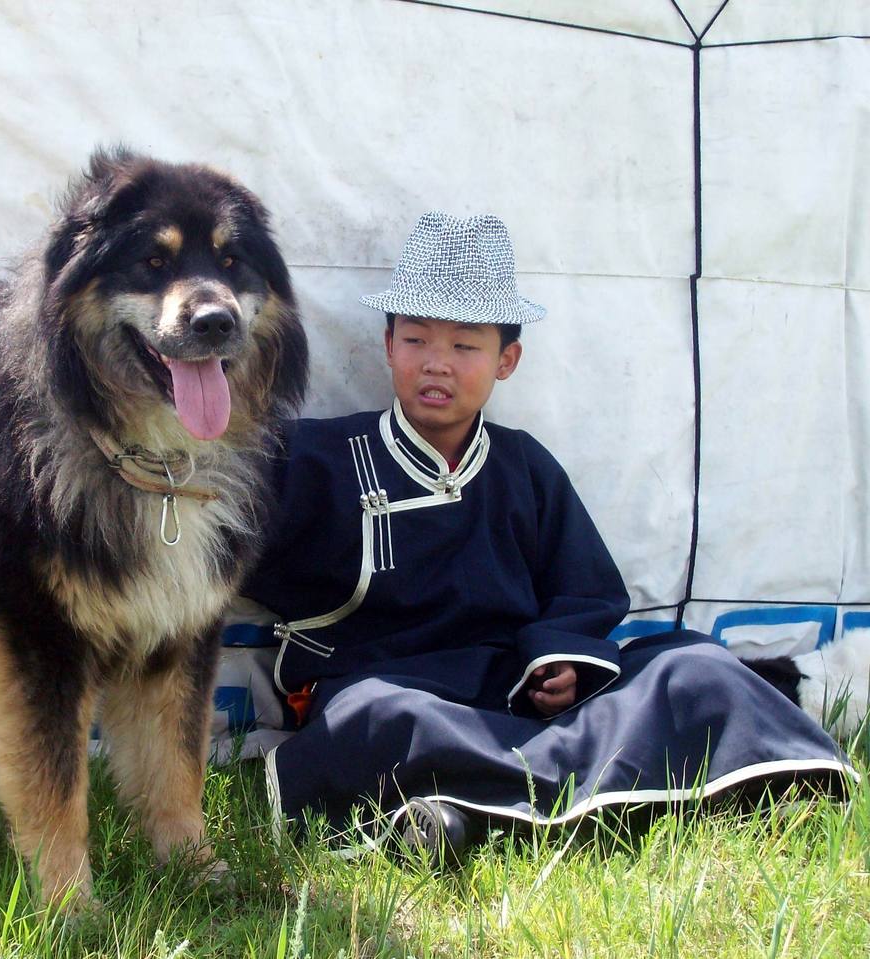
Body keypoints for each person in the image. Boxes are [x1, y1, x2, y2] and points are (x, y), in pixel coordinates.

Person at [242, 212, 855, 863]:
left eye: (464, 345)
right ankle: (592, 800)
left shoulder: (523, 466)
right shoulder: (317, 457)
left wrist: (558, 659)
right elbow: (216, 541)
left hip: (514, 688)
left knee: (690, 664)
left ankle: (468, 812)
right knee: (371, 720)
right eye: (417, 339)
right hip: (393, 685)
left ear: (506, 359)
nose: (436, 364)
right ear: (388, 344)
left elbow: (582, 587)